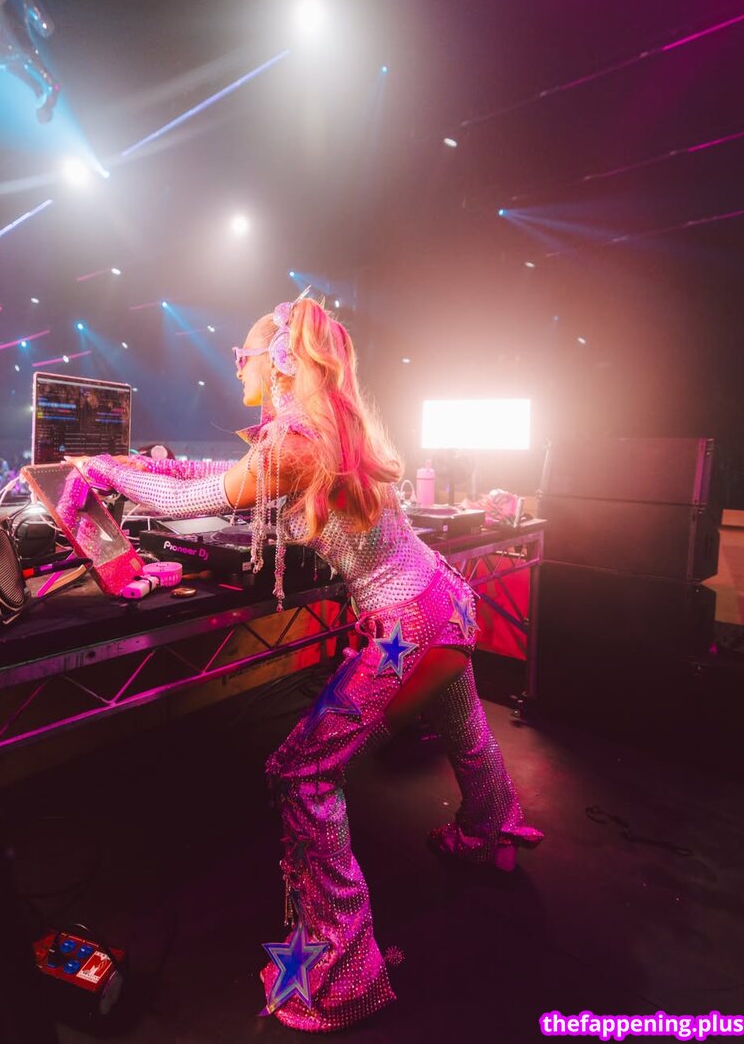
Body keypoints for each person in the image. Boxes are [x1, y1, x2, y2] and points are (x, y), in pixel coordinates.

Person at [65, 296, 543, 1033]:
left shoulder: (293, 444)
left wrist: (101, 468)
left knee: (301, 774)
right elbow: (219, 471)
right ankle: (489, 834)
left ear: (280, 361)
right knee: (464, 727)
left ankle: (344, 971)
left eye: (244, 356)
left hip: (408, 626)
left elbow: (193, 497)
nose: (238, 368)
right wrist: (134, 465)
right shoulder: (327, 426)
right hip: (443, 602)